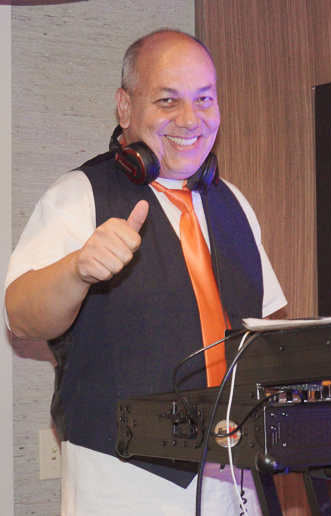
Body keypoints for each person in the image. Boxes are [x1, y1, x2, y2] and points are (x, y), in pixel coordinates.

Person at [5, 29, 287, 515]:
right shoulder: (79, 194)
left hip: (235, 476)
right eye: (167, 100)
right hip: (122, 479)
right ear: (124, 107)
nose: (190, 119)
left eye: (204, 99)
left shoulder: (234, 203)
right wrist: (77, 271)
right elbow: (20, 316)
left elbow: (266, 328)